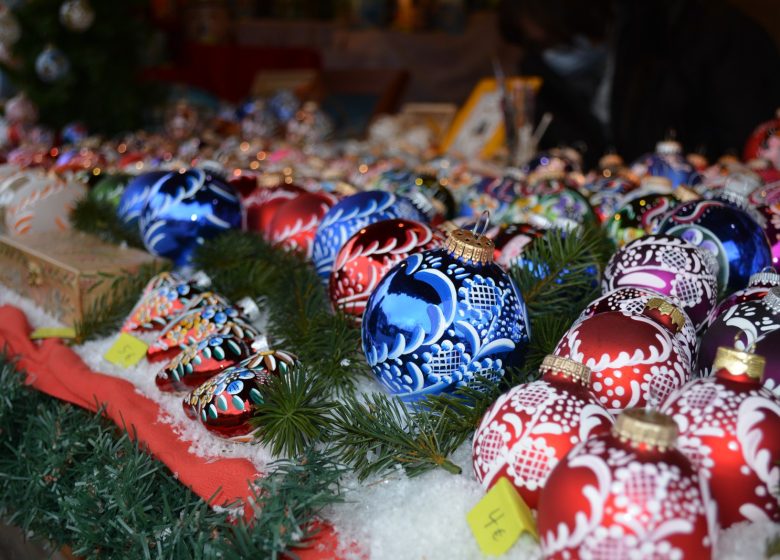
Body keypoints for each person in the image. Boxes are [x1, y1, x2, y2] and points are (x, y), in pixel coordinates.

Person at [498, 0, 780, 167]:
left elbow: (756, 142)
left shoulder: (706, 33)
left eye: (560, 38)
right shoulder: (541, 75)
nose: (554, 53)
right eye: (539, 45)